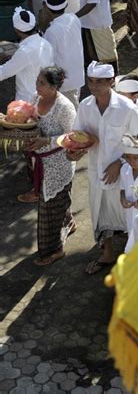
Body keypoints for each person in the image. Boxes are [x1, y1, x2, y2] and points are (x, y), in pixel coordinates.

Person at [69, 61, 138, 274]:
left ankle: (136, 257)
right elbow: (79, 135)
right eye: (91, 81)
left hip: (125, 173)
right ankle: (107, 253)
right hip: (97, 172)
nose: (94, 86)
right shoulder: (85, 106)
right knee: (100, 212)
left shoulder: (127, 108)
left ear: (112, 82)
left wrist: (119, 162)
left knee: (131, 214)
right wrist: (75, 150)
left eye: (100, 82)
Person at [23, 67, 77, 265]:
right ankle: (69, 222)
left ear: (55, 87)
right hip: (39, 162)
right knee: (56, 202)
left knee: (49, 207)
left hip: (58, 165)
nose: (37, 86)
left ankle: (54, 250)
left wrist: (46, 142)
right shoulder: (36, 99)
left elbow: (73, 136)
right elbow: (30, 121)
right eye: (37, 81)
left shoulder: (64, 107)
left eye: (42, 83)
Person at [0, 7, 54, 103]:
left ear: (16, 30)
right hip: (45, 96)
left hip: (28, 100)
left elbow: (4, 72)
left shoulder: (25, 52)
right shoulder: (45, 43)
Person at [43, 0, 84, 109]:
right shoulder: (74, 19)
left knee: (69, 114)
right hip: (77, 75)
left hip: (64, 82)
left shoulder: (51, 31)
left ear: (47, 8)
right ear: (66, 4)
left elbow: (48, 58)